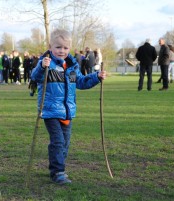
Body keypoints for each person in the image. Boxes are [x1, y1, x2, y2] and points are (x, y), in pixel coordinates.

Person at [30, 29, 106, 185]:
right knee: (57, 141)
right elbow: (35, 77)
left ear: (69, 48)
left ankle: (55, 169)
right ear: (51, 46)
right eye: (58, 47)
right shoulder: (45, 62)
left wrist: (96, 77)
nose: (61, 51)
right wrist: (42, 67)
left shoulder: (72, 66)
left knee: (65, 143)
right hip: (50, 110)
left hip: (67, 111)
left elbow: (81, 82)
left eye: (65, 48)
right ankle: (58, 172)